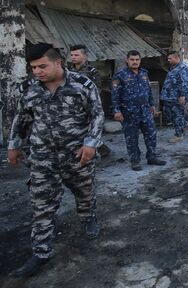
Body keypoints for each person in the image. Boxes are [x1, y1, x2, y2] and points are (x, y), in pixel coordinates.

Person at [7, 43, 104, 277]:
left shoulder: (82, 85)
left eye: (42, 66)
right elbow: (21, 117)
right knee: (41, 205)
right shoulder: (29, 88)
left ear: (58, 62)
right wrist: (14, 145)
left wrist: (91, 144)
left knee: (84, 192)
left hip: (77, 156)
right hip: (42, 157)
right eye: (33, 68)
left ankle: (88, 218)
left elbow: (97, 114)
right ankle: (40, 252)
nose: (37, 72)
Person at [111, 50, 166, 170]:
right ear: (127, 60)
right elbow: (115, 95)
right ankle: (135, 161)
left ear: (140, 60)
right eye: (132, 59)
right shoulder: (120, 75)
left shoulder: (144, 73)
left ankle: (152, 157)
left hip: (145, 111)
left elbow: (148, 90)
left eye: (137, 60)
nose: (135, 62)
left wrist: (152, 105)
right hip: (129, 112)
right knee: (132, 138)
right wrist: (116, 110)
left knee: (151, 135)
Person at [67, 44, 111, 158]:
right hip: (72, 107)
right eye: (72, 55)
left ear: (85, 57)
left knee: (90, 130)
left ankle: (97, 151)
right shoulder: (68, 71)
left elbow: (97, 89)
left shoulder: (92, 71)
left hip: (88, 106)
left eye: (76, 55)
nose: (73, 57)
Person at [161, 51, 188, 143]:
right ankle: (185, 124)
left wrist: (182, 95)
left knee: (177, 115)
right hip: (169, 97)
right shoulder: (173, 68)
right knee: (167, 111)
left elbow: (184, 83)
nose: (168, 60)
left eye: (170, 58)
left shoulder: (182, 68)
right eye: (168, 58)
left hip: (177, 97)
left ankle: (179, 135)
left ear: (176, 58)